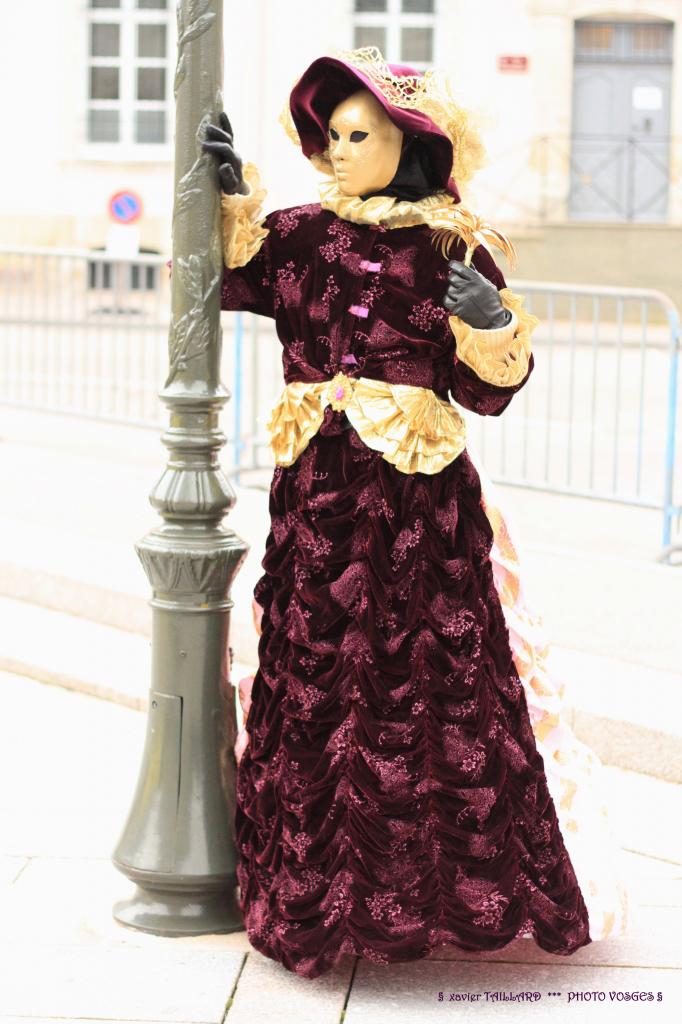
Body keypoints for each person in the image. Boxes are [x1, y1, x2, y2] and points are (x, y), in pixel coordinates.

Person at [203, 46, 629, 979]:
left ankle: (434, 899)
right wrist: (230, 197)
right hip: (318, 497)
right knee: (316, 672)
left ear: (414, 144)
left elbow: (493, 388)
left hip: (415, 507)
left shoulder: (450, 244)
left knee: (429, 682)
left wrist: (489, 321)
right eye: (332, 136)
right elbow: (237, 278)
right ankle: (310, 903)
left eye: (362, 135)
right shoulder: (301, 232)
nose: (340, 151)